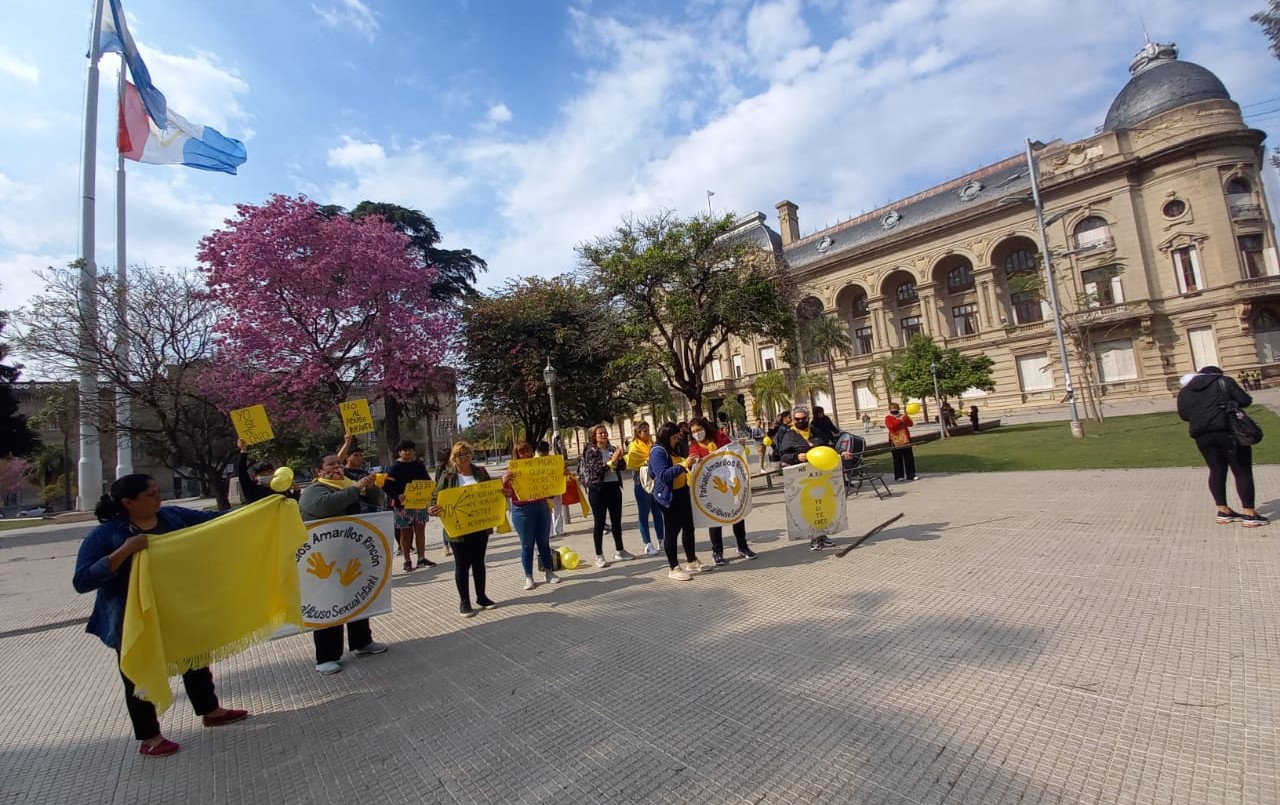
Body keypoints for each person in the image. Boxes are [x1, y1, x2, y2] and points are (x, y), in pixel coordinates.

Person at [73, 474, 248, 758]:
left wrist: (262, 508)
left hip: (176, 607)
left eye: (158, 491)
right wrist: (124, 551)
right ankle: (150, 737)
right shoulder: (106, 534)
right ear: (128, 503)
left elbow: (216, 520)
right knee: (138, 676)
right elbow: (82, 580)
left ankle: (210, 710)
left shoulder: (171, 516)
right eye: (151, 494)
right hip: (131, 619)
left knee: (195, 658)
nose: (159, 498)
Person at [298, 454, 390, 674]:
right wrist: (355, 489)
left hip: (351, 554)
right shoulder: (315, 490)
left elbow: (379, 500)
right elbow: (325, 506)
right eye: (331, 464)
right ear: (319, 472)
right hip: (323, 560)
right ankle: (326, 656)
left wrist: (370, 487)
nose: (338, 468)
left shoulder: (351, 485)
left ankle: (361, 642)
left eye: (340, 464)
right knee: (329, 603)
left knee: (357, 598)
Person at [1177, 366, 1268, 527]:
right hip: (1228, 431)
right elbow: (1245, 400)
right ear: (1217, 374)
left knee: (1216, 470)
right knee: (1242, 471)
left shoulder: (1186, 390)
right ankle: (1249, 514)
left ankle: (1223, 510)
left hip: (1202, 435)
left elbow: (1184, 415)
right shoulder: (1224, 381)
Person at [429, 441, 499, 617]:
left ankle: (481, 597)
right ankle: (464, 602)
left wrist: (502, 493)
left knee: (479, 562)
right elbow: (434, 499)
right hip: (458, 529)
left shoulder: (481, 472)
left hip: (479, 526)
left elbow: (492, 493)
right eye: (461, 454)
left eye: (467, 453)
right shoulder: (447, 476)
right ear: (454, 458)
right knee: (462, 565)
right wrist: (432, 509)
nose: (465, 457)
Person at [777, 404, 848, 551]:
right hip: (803, 479)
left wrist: (841, 453)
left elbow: (828, 446)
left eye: (804, 418)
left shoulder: (815, 431)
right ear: (793, 420)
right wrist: (797, 456)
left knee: (822, 505)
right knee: (809, 507)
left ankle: (823, 535)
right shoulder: (789, 435)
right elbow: (783, 455)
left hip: (821, 476)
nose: (801, 421)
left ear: (808, 418)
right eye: (797, 419)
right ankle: (813, 537)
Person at [687, 417, 757, 565]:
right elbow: (692, 468)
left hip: (730, 483)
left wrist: (740, 446)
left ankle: (742, 546)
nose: (696, 433)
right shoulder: (694, 447)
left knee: (737, 515)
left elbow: (732, 451)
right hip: (712, 487)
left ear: (705, 427)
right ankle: (717, 552)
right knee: (714, 519)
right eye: (693, 431)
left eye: (699, 429)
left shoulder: (719, 437)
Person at [649, 422, 708, 580]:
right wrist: (684, 465)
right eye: (674, 438)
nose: (676, 440)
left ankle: (691, 560)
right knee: (672, 531)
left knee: (688, 527)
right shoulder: (657, 451)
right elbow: (662, 474)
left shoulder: (673, 448)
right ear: (666, 437)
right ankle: (673, 567)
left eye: (677, 437)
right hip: (668, 496)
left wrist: (692, 463)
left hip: (682, 491)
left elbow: (682, 464)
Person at [503, 440, 562, 590]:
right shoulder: (511, 472)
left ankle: (549, 572)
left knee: (544, 542)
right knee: (527, 545)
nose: (525, 454)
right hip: (521, 510)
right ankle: (528, 576)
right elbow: (505, 493)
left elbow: (552, 486)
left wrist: (561, 475)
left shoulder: (540, 466)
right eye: (521, 452)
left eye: (527, 451)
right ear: (516, 455)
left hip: (540, 506)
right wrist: (504, 482)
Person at [578, 424, 634, 567]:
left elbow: (622, 467)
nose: (603, 435)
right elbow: (595, 470)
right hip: (598, 489)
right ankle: (599, 555)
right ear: (594, 437)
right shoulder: (591, 451)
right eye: (600, 433)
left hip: (613, 486)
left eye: (605, 432)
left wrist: (620, 459)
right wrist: (612, 461)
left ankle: (620, 550)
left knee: (616, 521)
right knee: (600, 522)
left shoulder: (612, 449)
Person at [382, 439, 436, 573]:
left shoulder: (418, 465)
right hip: (402, 506)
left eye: (410, 450)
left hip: (419, 503)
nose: (408, 452)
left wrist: (428, 493)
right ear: (399, 452)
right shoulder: (394, 468)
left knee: (420, 530)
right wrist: (397, 495)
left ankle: (421, 557)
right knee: (405, 533)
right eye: (405, 450)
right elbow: (386, 486)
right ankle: (407, 560)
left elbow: (427, 481)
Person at [624, 420, 665, 556]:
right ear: (638, 432)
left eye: (648, 430)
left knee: (657, 512)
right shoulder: (634, 446)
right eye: (645, 431)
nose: (648, 433)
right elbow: (631, 462)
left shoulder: (652, 444)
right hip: (641, 484)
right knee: (644, 514)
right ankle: (647, 543)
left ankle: (661, 539)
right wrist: (647, 460)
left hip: (655, 482)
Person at [235, 439, 298, 503]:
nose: (267, 475)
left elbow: (291, 504)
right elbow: (242, 472)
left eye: (270, 472)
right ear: (255, 476)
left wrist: (296, 491)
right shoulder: (251, 489)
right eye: (263, 473)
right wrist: (243, 451)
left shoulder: (280, 487)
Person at [536, 440, 569, 535]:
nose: (545, 455)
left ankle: (559, 530)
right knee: (546, 512)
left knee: (557, 510)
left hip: (555, 489)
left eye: (546, 452)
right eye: (542, 453)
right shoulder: (533, 462)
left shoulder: (555, 460)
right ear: (538, 451)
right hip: (542, 491)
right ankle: (549, 532)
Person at [884, 403, 918, 482]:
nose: (894, 410)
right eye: (892, 408)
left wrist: (906, 417)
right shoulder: (888, 418)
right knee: (897, 459)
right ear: (889, 410)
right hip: (894, 441)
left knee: (909, 458)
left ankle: (911, 474)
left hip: (905, 440)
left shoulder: (903, 416)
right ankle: (899, 476)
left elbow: (910, 424)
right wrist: (900, 420)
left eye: (895, 408)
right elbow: (891, 427)